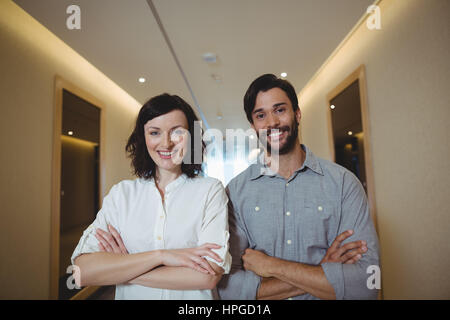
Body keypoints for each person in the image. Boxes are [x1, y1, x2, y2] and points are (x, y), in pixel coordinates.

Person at [217, 74, 380, 300]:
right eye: (261, 115)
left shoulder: (343, 184)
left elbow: (366, 285)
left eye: (280, 110)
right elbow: (229, 291)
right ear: (253, 125)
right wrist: (323, 269)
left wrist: (272, 266)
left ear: (297, 114)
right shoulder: (235, 192)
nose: (272, 122)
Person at [71, 93, 231, 300]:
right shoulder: (122, 195)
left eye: (177, 132)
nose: (166, 144)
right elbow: (83, 271)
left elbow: (208, 277)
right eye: (155, 132)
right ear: (142, 137)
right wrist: (161, 256)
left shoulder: (210, 190)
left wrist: (124, 267)